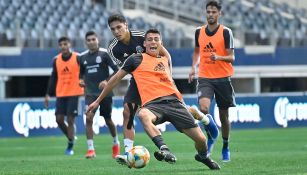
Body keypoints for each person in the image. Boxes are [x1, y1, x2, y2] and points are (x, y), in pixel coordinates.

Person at [87, 29, 220, 170]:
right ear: (144, 44)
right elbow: (115, 80)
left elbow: (168, 60)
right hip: (153, 105)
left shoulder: (165, 60)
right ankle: (165, 149)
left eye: (156, 39)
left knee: (201, 140)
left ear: (161, 44)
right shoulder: (135, 59)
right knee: (142, 114)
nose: (153, 42)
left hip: (175, 103)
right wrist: (97, 101)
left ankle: (203, 156)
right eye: (149, 39)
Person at [188, 0, 236, 162]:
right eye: (208, 12)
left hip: (223, 78)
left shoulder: (226, 32)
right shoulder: (198, 32)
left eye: (214, 12)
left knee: (224, 116)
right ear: (205, 13)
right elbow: (196, 52)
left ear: (219, 14)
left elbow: (232, 57)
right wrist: (193, 67)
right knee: (203, 108)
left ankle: (225, 145)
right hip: (205, 77)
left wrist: (219, 57)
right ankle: (211, 136)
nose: (210, 14)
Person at [78, 31, 120, 159]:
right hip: (90, 93)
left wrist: (107, 81)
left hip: (105, 93)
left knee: (108, 120)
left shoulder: (104, 54)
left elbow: (118, 71)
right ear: (86, 42)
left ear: (98, 40)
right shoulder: (82, 57)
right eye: (88, 40)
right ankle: (90, 149)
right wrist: (80, 80)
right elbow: (81, 73)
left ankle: (115, 144)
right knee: (89, 118)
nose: (91, 42)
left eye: (93, 39)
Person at [44, 36, 84, 155]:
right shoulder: (56, 60)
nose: (63, 46)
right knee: (59, 119)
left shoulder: (78, 57)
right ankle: (71, 137)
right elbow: (53, 78)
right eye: (61, 44)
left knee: (70, 120)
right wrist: (47, 94)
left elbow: (85, 72)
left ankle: (70, 146)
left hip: (74, 93)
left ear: (70, 44)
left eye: (65, 44)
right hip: (61, 93)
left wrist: (84, 82)